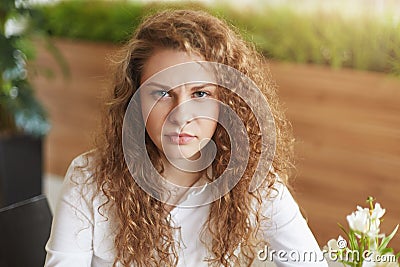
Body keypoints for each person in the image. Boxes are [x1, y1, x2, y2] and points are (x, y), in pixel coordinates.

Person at [45, 9, 328, 267]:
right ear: (135, 101)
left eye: (200, 94)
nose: (181, 116)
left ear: (226, 102)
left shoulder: (256, 185)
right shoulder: (89, 178)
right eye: (161, 93)